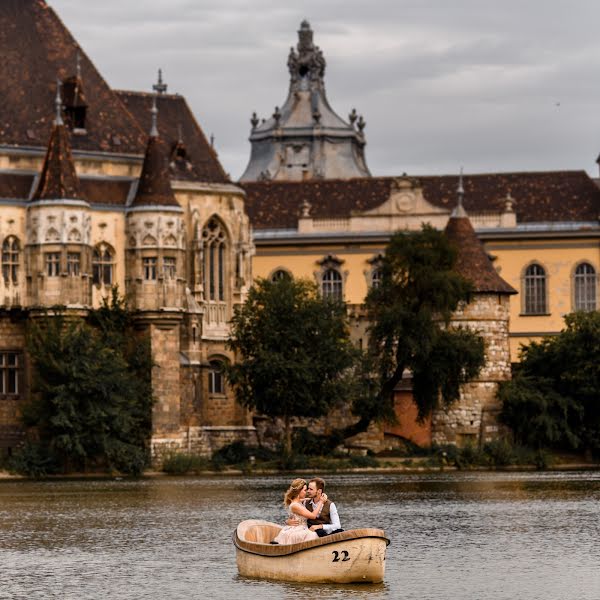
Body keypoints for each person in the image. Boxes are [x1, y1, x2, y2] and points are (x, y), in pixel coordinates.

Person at [272, 478, 328, 545]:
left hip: (302, 528)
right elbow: (313, 516)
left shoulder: (299, 501)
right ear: (299, 491)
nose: (307, 492)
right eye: (305, 490)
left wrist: (319, 495)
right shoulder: (295, 505)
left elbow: (311, 499)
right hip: (297, 531)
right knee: (313, 535)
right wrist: (321, 502)